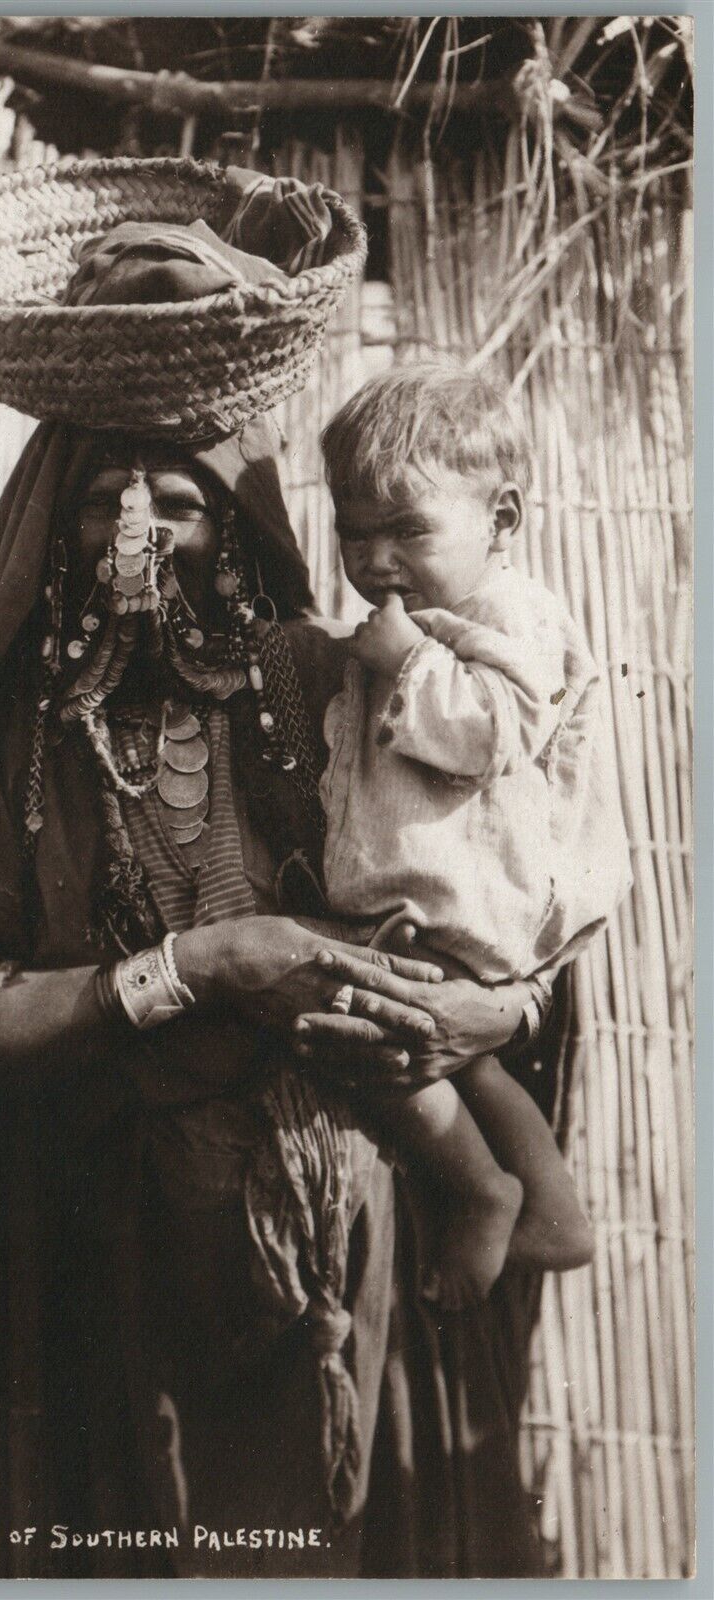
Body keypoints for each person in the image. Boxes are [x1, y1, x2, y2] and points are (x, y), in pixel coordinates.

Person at [0, 161, 577, 1578]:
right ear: (54, 523)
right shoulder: (27, 732)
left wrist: (510, 1013)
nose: (138, 524)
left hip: (340, 1215)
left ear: (232, 509)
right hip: (97, 1254)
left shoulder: (338, 676)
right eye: (101, 492)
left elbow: (503, 878)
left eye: (173, 492)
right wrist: (199, 963)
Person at [318, 364, 632, 1308]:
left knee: (363, 1033)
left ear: (501, 518)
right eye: (353, 532)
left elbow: (499, 730)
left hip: (464, 899)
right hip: (442, 900)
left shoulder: (511, 612)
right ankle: (549, 1206)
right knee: (464, 1056)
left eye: (407, 529)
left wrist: (407, 659)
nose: (375, 561)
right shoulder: (434, 617)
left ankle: (478, 1189)